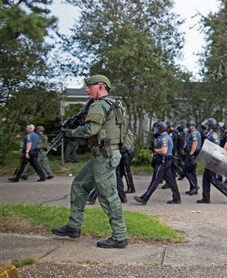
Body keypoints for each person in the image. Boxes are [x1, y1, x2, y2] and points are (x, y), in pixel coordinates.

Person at [52, 74, 128, 249]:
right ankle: (73, 226)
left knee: (108, 196)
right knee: (79, 185)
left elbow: (91, 129)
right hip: (102, 155)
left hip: (104, 156)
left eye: (90, 86)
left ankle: (120, 236)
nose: (87, 89)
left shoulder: (100, 105)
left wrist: (70, 132)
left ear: (100, 86)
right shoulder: (113, 104)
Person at [134, 122, 181, 205]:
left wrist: (155, 150)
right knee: (171, 180)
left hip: (164, 161)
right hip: (167, 161)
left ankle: (145, 199)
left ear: (160, 129)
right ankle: (177, 198)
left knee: (156, 180)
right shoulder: (165, 137)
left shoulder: (164, 138)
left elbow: (164, 151)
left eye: (157, 128)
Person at [196, 118, 227, 204]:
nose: (205, 126)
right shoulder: (210, 134)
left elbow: (216, 148)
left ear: (210, 126)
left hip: (213, 160)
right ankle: (206, 198)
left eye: (207, 125)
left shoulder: (214, 135)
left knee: (213, 179)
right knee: (205, 179)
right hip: (209, 159)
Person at [183, 120, 201, 195]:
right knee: (192, 172)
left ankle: (194, 186)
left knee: (186, 171)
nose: (190, 127)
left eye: (191, 125)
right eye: (189, 125)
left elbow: (195, 143)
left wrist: (191, 153)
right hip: (191, 154)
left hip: (192, 154)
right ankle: (193, 188)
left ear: (194, 126)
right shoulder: (192, 133)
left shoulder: (194, 133)